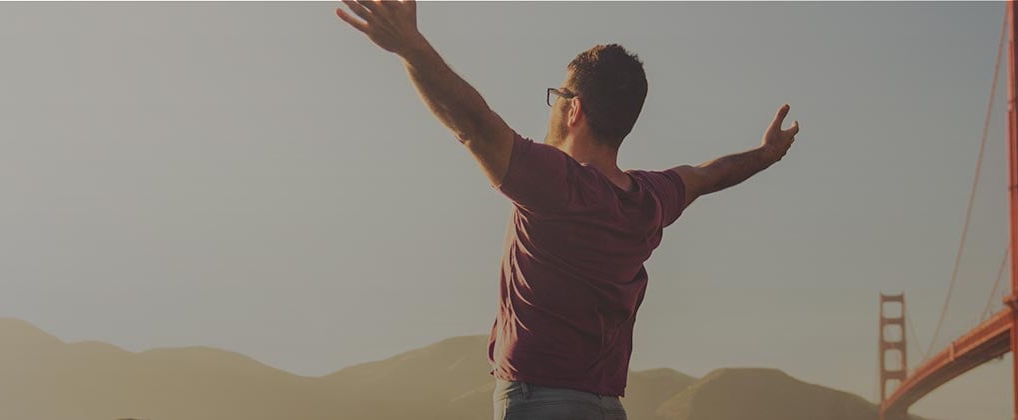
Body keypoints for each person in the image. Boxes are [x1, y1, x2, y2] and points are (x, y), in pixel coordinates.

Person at [336, 1, 802, 419]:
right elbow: (708, 175)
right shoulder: (648, 200)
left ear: (574, 110)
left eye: (557, 97)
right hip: (606, 408)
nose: (552, 108)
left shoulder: (556, 186)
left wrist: (409, 47)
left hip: (540, 405)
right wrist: (767, 155)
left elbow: (472, 123)